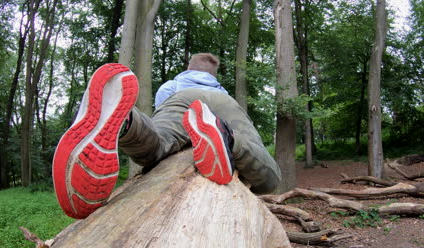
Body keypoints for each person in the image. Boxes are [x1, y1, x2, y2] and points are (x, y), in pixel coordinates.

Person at [52, 53, 282, 219]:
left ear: (188, 67)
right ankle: (227, 137)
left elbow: (165, 132)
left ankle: (126, 121)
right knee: (269, 177)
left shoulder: (171, 86)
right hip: (225, 106)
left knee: (159, 144)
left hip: (181, 98)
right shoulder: (222, 92)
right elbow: (267, 185)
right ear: (213, 73)